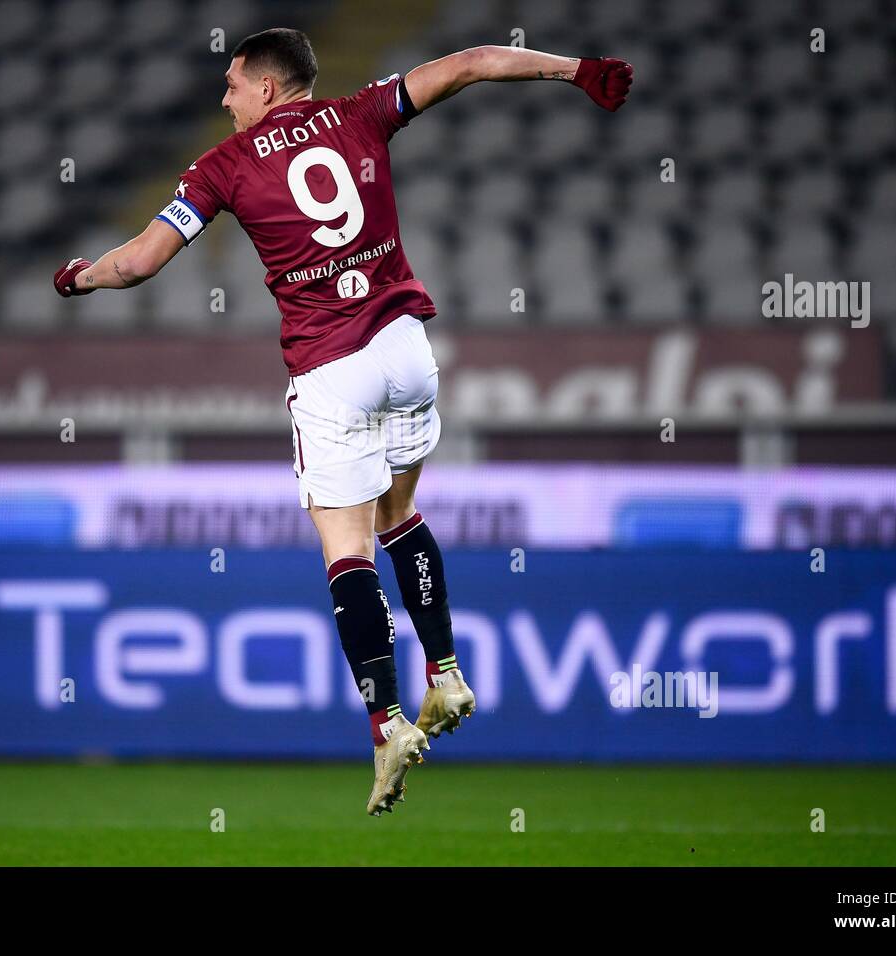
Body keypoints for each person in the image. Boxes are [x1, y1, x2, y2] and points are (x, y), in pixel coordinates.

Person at [54, 28, 632, 814]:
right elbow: (470, 64)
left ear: (266, 87)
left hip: (331, 370)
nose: (222, 97)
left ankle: (387, 723)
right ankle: (446, 669)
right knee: (401, 514)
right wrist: (578, 70)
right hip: (406, 347)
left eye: (231, 83)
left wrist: (81, 277)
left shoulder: (223, 168)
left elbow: (143, 260)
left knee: (346, 550)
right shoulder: (362, 112)